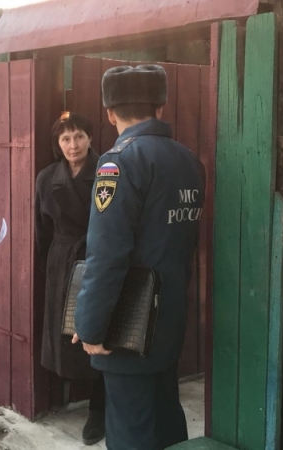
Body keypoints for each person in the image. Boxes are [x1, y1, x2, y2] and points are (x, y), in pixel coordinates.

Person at [72, 64, 205, 450]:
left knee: (131, 432)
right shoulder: (188, 161)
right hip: (170, 318)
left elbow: (107, 255)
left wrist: (91, 326)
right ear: (160, 108)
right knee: (166, 423)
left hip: (128, 325)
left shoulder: (117, 163)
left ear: (109, 112)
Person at [35, 111, 105, 445]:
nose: (73, 145)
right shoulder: (47, 178)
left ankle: (100, 408)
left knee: (98, 331)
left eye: (79, 136)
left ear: (90, 138)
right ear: (57, 143)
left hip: (98, 259)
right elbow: (42, 231)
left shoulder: (108, 171)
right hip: (62, 263)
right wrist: (51, 266)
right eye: (66, 138)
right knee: (68, 336)